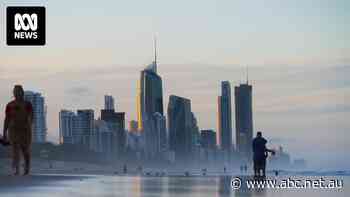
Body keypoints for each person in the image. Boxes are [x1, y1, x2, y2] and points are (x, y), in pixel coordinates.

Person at [3, 85, 33, 176]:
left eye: (18, 91)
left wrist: (28, 126)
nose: (16, 93)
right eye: (15, 91)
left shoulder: (28, 104)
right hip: (13, 130)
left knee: (25, 150)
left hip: (25, 130)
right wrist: (4, 132)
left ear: (22, 92)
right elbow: (7, 119)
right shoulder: (9, 105)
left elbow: (31, 117)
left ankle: (27, 168)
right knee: (15, 149)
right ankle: (16, 170)